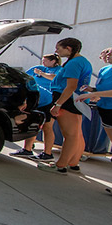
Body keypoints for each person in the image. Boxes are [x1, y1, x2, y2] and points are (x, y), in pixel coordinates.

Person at [76, 42, 112, 198]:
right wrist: (92, 91)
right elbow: (103, 90)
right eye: (109, 52)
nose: (108, 54)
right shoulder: (104, 70)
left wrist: (92, 95)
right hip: (107, 111)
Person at [38, 38, 92, 175]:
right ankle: (73, 163)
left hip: (67, 100)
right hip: (73, 99)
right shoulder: (81, 61)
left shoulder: (74, 63)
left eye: (58, 48)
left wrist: (58, 104)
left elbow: (71, 85)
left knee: (70, 134)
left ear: (68, 48)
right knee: (76, 134)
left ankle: (61, 165)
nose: (56, 51)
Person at [10, 53, 62, 161]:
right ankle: (27, 149)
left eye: (46, 61)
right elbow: (25, 77)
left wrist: (42, 74)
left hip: (49, 100)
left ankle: (47, 153)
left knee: (47, 126)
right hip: (36, 98)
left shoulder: (58, 70)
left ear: (53, 61)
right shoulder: (37, 69)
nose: (43, 63)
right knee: (33, 123)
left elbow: (56, 79)